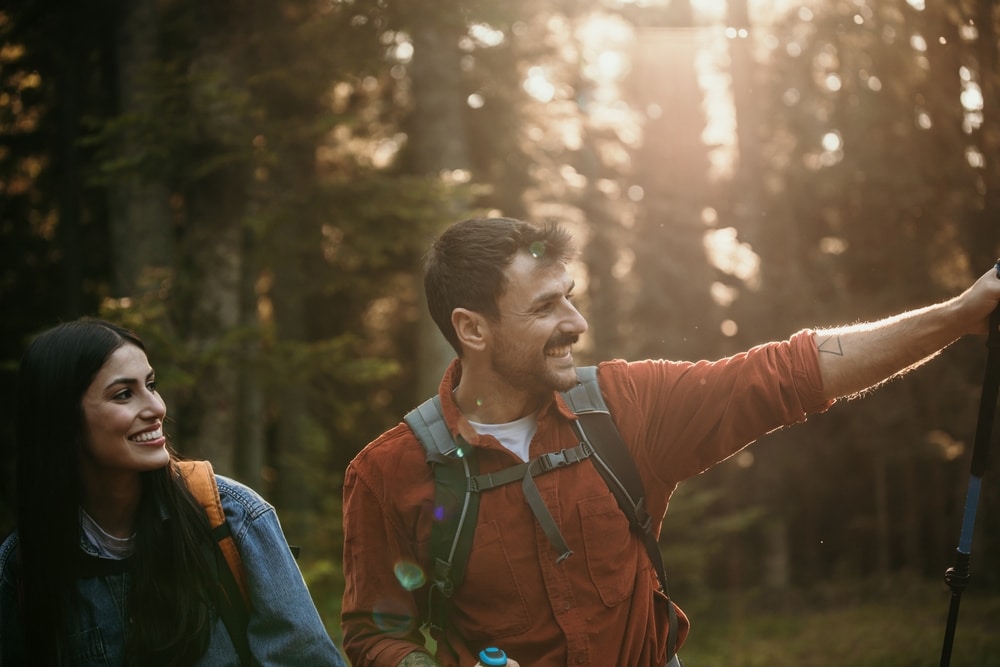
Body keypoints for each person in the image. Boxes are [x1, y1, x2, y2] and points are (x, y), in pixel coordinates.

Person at [341, 216, 1000, 667]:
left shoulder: (625, 406)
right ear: (472, 329)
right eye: (546, 307)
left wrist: (958, 315)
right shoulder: (387, 473)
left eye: (570, 296)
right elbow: (373, 633)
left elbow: (792, 371)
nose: (577, 321)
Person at [0, 318, 347, 666]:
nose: (156, 409)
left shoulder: (234, 517)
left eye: (151, 385)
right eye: (124, 394)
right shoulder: (20, 567)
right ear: (64, 420)